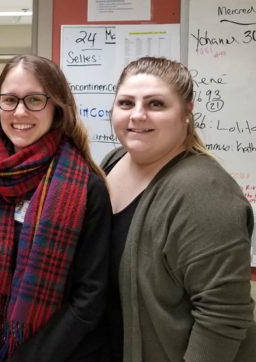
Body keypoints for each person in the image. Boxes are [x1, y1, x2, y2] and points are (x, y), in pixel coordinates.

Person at [0, 54, 112, 361]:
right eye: (10, 100)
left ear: (57, 106)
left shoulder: (88, 188)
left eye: (34, 99)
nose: (20, 111)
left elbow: (89, 298)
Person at [100, 56, 256, 362]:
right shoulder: (113, 161)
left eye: (156, 104)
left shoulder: (203, 192)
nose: (138, 115)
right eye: (126, 103)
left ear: (187, 112)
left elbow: (222, 318)